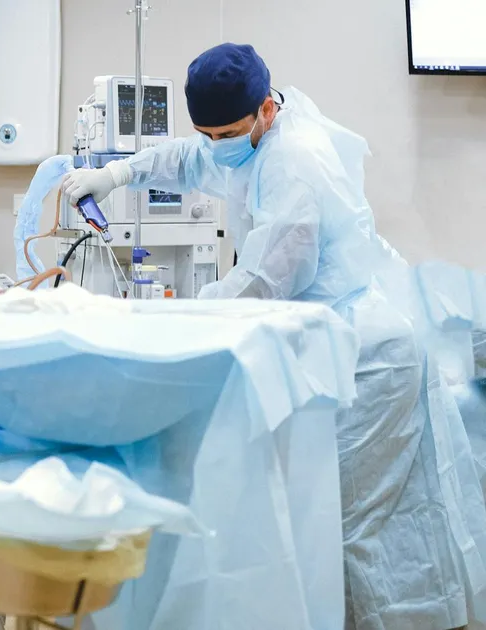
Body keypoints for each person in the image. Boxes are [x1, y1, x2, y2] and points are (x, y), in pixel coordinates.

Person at [62, 43, 469, 630]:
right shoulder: (247, 140)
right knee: (346, 518)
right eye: (208, 131)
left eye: (225, 131)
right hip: (333, 345)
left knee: (346, 521)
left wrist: (182, 315)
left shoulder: (294, 161)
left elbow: (268, 278)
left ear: (264, 112)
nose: (214, 144)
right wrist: (118, 172)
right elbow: (189, 156)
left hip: (371, 358)